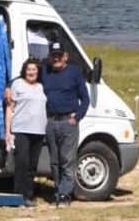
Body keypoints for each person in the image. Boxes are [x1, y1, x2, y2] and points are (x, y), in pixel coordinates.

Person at [41, 41, 90, 208]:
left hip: (68, 122)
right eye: (53, 55)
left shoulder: (74, 72)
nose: (56, 58)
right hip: (51, 122)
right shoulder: (45, 71)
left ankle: (65, 195)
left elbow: (85, 98)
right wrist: (9, 86)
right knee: (54, 162)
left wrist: (77, 118)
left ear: (66, 56)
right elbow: (26, 75)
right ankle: (58, 192)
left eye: (59, 55)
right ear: (49, 57)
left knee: (67, 161)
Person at [4, 57, 47, 208]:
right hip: (21, 129)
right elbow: (9, 108)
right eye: (29, 69)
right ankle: (19, 196)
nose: (31, 72)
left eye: (34, 69)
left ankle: (29, 196)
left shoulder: (42, 86)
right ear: (24, 71)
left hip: (39, 131)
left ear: (38, 71)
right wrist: (8, 132)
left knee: (32, 165)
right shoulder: (17, 84)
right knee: (22, 163)